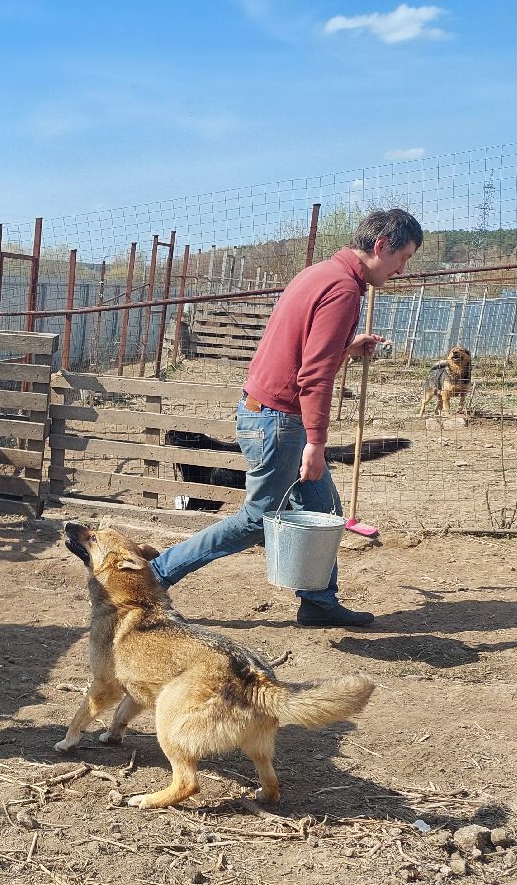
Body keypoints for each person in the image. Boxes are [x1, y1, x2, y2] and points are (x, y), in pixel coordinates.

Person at [149, 208, 423, 627]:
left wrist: (347, 346)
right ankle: (155, 574)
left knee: (325, 512)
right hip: (281, 422)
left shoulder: (320, 273)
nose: (402, 270)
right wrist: (315, 441)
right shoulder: (345, 290)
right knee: (257, 518)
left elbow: (303, 344)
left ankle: (318, 601)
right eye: (402, 258)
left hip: (266, 411)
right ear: (381, 246)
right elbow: (313, 374)